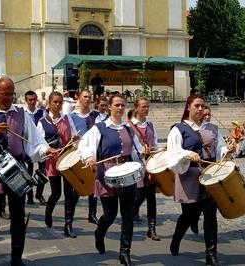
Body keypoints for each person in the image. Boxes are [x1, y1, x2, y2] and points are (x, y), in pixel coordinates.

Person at [0, 78, 56, 266]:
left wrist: (45, 150)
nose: (8, 97)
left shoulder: (22, 114)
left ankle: (16, 257)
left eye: (11, 93)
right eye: (4, 94)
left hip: (16, 171)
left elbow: (35, 141)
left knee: (17, 215)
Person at [167, 94, 233, 266]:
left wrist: (228, 150)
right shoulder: (178, 129)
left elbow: (219, 150)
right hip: (189, 175)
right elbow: (173, 153)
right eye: (196, 106)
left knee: (211, 215)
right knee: (189, 215)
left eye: (202, 106)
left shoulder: (212, 128)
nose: (200, 109)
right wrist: (187, 154)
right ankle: (176, 239)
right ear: (188, 107)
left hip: (211, 176)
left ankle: (211, 254)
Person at [78, 94, 145, 266]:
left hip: (128, 174)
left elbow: (136, 151)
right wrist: (89, 158)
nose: (120, 108)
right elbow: (84, 146)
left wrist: (142, 156)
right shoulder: (99, 128)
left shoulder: (129, 128)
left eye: (122, 105)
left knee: (128, 215)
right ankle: (99, 233)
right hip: (107, 174)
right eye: (116, 105)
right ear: (109, 107)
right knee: (110, 214)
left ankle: (125, 252)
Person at [37, 91, 80, 237]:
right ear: (49, 103)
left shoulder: (67, 119)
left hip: (67, 160)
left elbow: (75, 137)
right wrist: (47, 151)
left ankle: (68, 224)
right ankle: (48, 212)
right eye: (55, 102)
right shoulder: (42, 121)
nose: (57, 105)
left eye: (60, 102)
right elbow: (40, 143)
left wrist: (75, 138)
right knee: (56, 193)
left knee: (69, 193)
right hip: (53, 161)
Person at [129, 97, 160, 241]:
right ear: (136, 108)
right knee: (139, 194)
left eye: (147, 106)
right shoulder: (128, 126)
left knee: (151, 198)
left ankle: (152, 229)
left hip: (150, 164)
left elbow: (156, 144)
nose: (146, 109)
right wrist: (139, 152)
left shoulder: (151, 125)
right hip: (136, 164)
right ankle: (132, 213)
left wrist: (158, 151)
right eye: (143, 107)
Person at [68, 89, 99, 225]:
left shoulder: (95, 116)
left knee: (93, 184)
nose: (87, 99)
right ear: (79, 98)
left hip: (93, 154)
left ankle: (92, 214)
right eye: (85, 97)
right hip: (79, 154)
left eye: (89, 97)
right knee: (78, 186)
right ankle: (70, 216)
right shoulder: (71, 116)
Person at [24, 90, 47, 205]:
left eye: (34, 99)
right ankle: (29, 196)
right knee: (28, 172)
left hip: (40, 146)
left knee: (43, 172)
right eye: (30, 100)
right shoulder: (23, 113)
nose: (32, 102)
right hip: (27, 146)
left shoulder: (42, 113)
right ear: (26, 101)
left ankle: (39, 194)